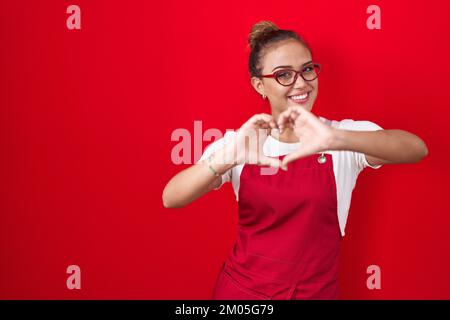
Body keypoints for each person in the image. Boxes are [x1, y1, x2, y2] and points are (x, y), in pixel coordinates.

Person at [162, 21, 428, 300]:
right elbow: (172, 197)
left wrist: (335, 138)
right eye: (283, 75)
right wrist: (228, 157)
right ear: (259, 85)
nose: (301, 83)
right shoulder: (243, 141)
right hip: (243, 296)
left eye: (307, 70)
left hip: (317, 294)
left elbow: (415, 149)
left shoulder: (341, 136)